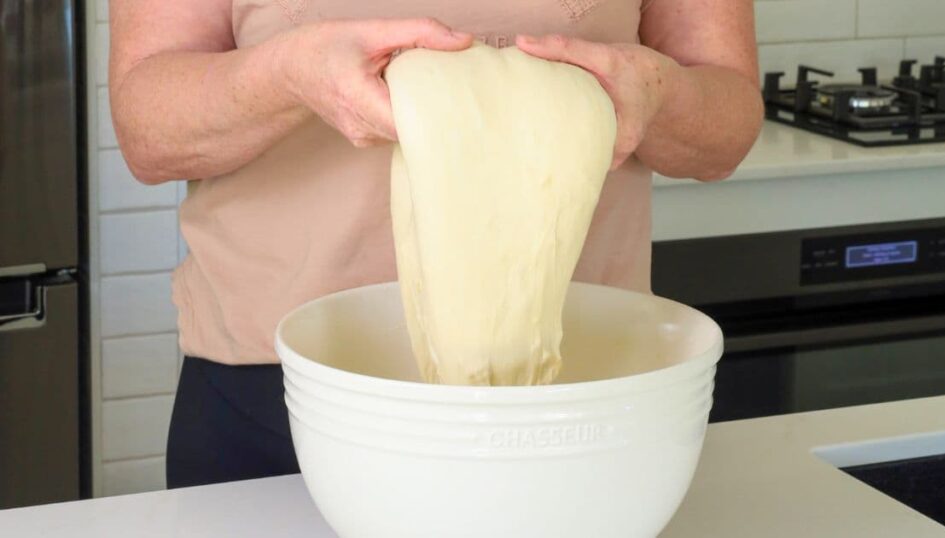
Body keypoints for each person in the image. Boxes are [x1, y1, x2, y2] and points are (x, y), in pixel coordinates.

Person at [109, 0, 763, 489]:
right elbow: (149, 130)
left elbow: (725, 127)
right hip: (276, 393)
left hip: (577, 397)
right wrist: (289, 74)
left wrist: (661, 93)